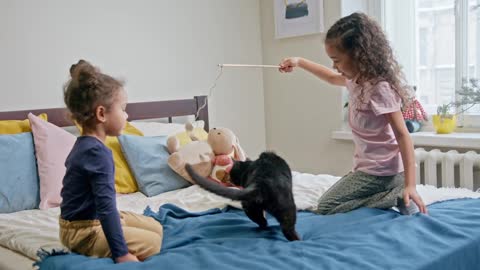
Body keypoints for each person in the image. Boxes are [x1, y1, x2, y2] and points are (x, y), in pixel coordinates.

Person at [279, 12, 427, 216]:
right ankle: (391, 193)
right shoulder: (356, 81)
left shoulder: (379, 88)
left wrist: (411, 185)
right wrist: (299, 61)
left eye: (336, 60)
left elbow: (402, 135)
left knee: (326, 206)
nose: (334, 66)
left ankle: (396, 195)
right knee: (335, 200)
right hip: (370, 170)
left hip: (382, 172)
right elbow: (331, 77)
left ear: (358, 55)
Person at [59, 60, 163, 263]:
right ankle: (116, 247)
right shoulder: (98, 154)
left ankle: (121, 234)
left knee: (157, 227)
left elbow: (105, 207)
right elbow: (106, 207)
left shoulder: (86, 145)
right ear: (101, 114)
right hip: (83, 232)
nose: (127, 115)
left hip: (85, 220)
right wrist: (121, 253)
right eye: (123, 109)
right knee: (154, 242)